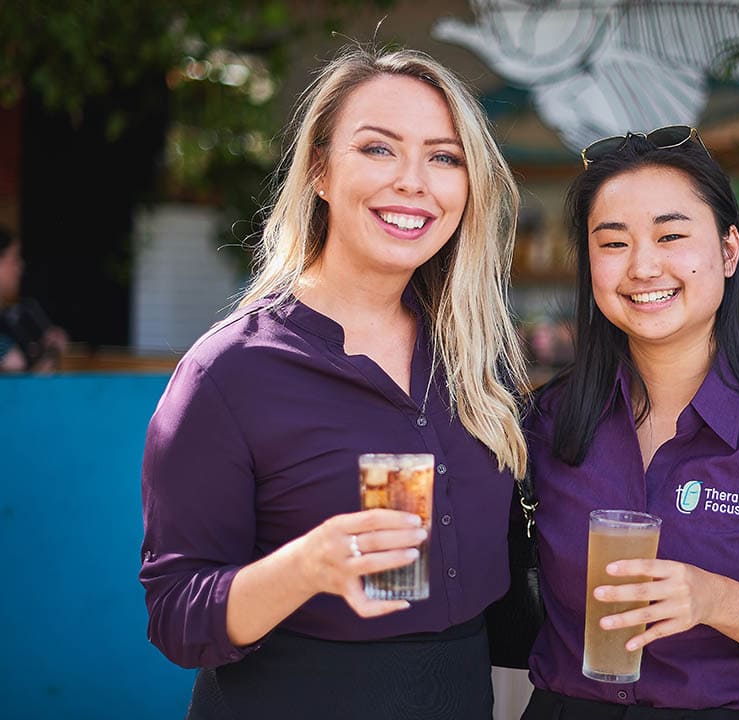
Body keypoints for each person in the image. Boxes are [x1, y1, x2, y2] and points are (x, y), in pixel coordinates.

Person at [139, 43, 530, 720]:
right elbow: (176, 615)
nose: (414, 181)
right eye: (379, 149)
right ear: (320, 170)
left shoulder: (478, 360)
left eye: (445, 156)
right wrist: (306, 567)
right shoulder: (229, 373)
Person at [522, 127, 739, 719]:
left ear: (728, 249)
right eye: (613, 244)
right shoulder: (549, 421)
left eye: (671, 235)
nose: (643, 266)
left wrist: (714, 599)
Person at [0, 227, 68, 372]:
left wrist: (48, 348)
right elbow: (15, 364)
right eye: (14, 258)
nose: (20, 266)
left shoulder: (11, 318)